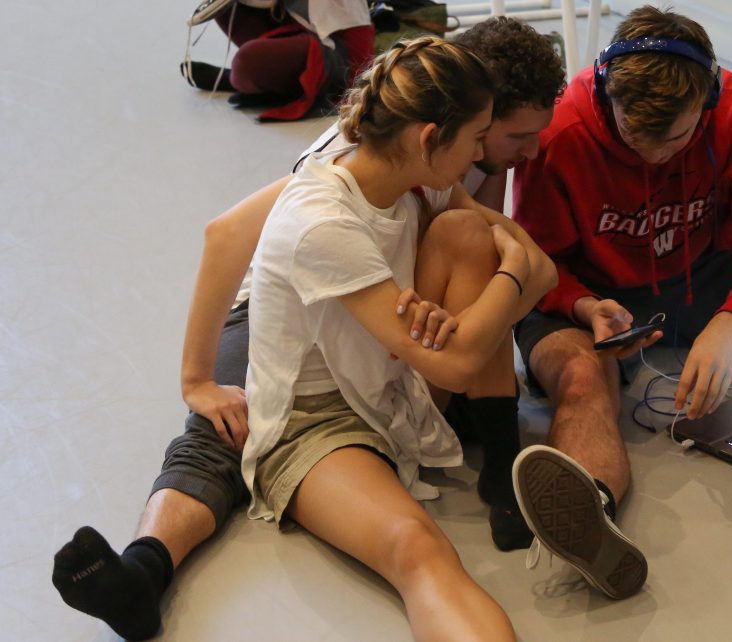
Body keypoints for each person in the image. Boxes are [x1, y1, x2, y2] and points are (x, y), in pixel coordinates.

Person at [52, 19, 564, 641]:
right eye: (482, 137)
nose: (486, 153)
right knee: (395, 535)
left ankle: (497, 457)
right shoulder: (326, 204)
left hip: (383, 365)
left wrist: (476, 297)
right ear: (432, 137)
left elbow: (536, 267)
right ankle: (144, 570)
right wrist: (195, 379)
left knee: (468, 235)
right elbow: (505, 296)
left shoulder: (415, 172)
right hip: (314, 400)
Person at [509, 5, 732, 600]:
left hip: (704, 279)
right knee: (580, 378)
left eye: (675, 139)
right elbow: (535, 262)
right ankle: (591, 514)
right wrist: (583, 306)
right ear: (606, 97)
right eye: (634, 138)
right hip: (588, 297)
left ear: (709, 100)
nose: (654, 158)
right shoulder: (564, 130)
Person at [182, 0, 377, 121]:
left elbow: (359, 33)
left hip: (329, 55)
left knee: (246, 62)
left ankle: (240, 80)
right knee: (222, 6)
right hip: (292, 28)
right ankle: (256, 80)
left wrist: (357, 92)